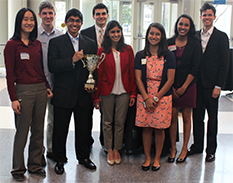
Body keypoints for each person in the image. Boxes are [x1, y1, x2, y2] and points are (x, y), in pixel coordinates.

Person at [4, 8, 53, 181]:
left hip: (40, 89)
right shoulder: (12, 45)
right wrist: (13, 98)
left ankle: (35, 165)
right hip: (23, 90)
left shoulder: (37, 44)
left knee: (38, 130)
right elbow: (10, 74)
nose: (29, 22)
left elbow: (41, 68)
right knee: (22, 131)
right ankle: (18, 168)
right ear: (19, 22)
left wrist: (46, 86)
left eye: (32, 19)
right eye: (25, 19)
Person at [48, 8, 97, 174]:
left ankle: (83, 157)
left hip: (84, 93)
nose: (74, 24)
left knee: (84, 128)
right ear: (66, 22)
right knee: (60, 129)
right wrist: (72, 60)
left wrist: (93, 85)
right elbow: (52, 66)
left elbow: (93, 67)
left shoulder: (90, 43)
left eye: (77, 21)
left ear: (81, 23)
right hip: (63, 93)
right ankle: (60, 159)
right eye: (71, 20)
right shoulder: (56, 42)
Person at [188, 2, 229, 162]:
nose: (206, 17)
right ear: (201, 17)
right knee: (197, 117)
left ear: (214, 17)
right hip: (196, 84)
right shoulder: (195, 36)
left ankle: (211, 150)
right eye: (204, 15)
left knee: (212, 118)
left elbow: (224, 64)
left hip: (212, 86)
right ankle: (197, 146)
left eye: (209, 15)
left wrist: (219, 86)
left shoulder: (221, 37)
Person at [93, 20, 136, 165]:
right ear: (108, 34)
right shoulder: (101, 51)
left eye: (118, 31)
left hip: (124, 91)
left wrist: (133, 94)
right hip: (106, 92)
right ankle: (109, 148)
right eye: (113, 32)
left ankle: (117, 148)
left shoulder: (128, 50)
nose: (116, 34)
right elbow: (98, 75)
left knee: (120, 122)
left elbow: (132, 73)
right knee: (107, 122)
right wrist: (96, 97)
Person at [134, 22, 175, 171]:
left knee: (159, 129)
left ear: (162, 36)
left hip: (162, 96)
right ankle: (147, 158)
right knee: (146, 128)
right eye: (151, 33)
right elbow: (138, 78)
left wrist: (156, 98)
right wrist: (146, 98)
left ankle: (157, 158)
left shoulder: (169, 56)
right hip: (144, 95)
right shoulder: (140, 55)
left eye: (157, 34)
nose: (154, 36)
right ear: (147, 35)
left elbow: (170, 79)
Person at [166, 14, 202, 163]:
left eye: (186, 25)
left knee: (187, 118)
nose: (183, 27)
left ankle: (185, 148)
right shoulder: (169, 42)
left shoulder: (194, 43)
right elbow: (166, 64)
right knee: (173, 117)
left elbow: (195, 67)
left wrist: (184, 87)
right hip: (172, 86)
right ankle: (173, 148)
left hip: (188, 85)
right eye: (181, 24)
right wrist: (172, 87)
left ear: (190, 27)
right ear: (177, 25)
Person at [37, 0, 63, 162]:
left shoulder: (60, 35)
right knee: (38, 122)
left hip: (56, 85)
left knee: (53, 120)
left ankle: (51, 149)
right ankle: (38, 152)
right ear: (40, 15)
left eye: (50, 13)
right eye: (44, 13)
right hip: (38, 85)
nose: (48, 16)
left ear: (54, 15)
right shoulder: (34, 35)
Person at [80, 3, 109, 149]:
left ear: (107, 15)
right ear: (93, 16)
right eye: (98, 14)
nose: (101, 16)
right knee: (87, 113)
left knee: (106, 112)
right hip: (89, 78)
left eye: (103, 13)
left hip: (106, 79)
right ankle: (87, 140)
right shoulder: (84, 33)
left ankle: (105, 142)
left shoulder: (113, 32)